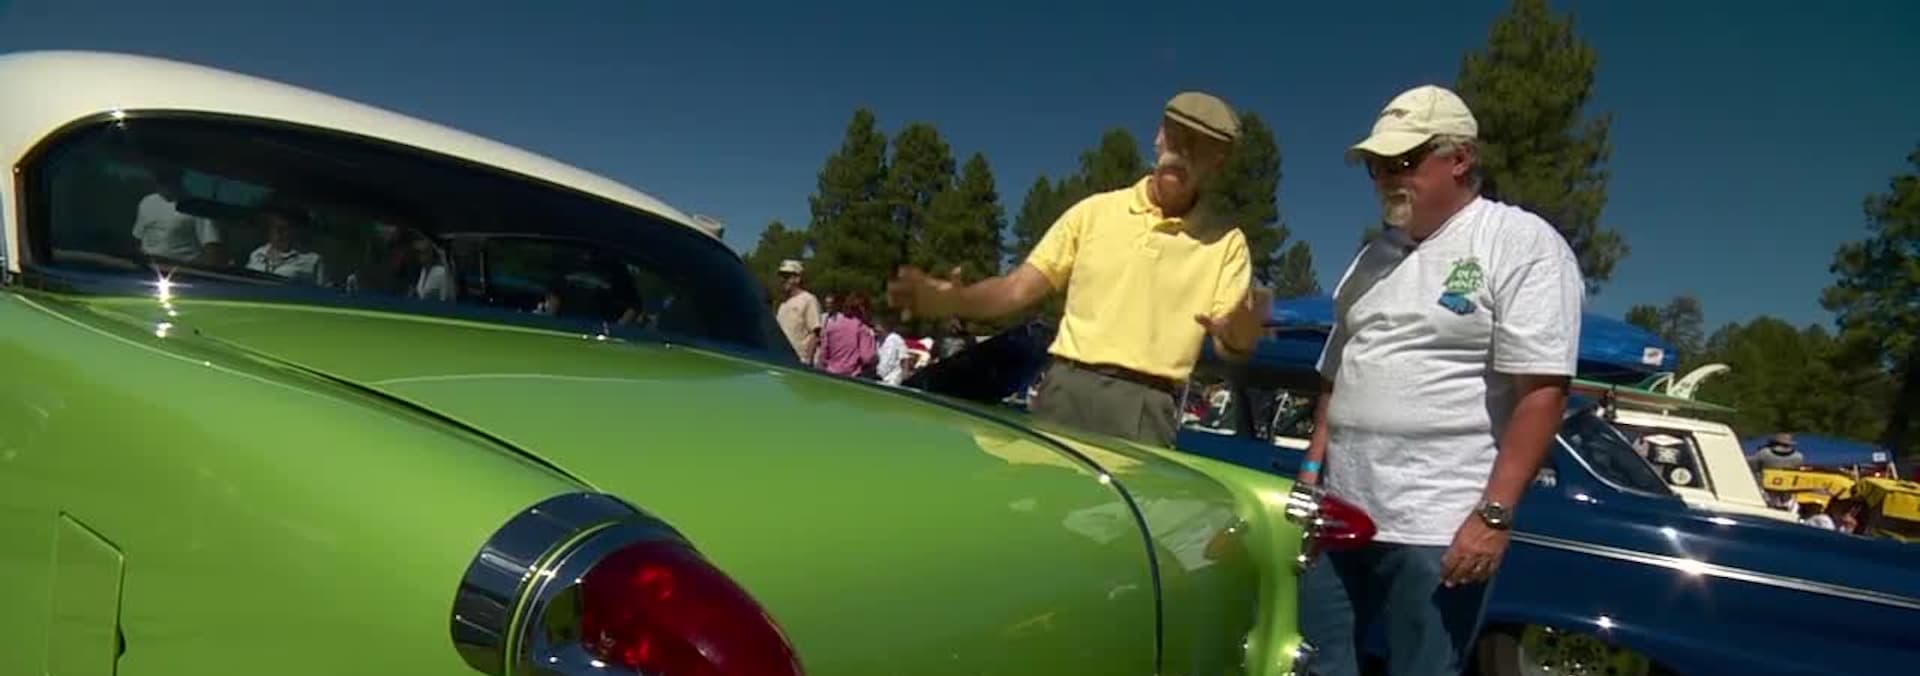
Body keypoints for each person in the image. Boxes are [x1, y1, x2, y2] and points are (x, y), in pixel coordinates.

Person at [1297, 84, 1585, 676]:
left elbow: (1542, 393)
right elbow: (1338, 375)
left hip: (1438, 527)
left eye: (1403, 161)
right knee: (1317, 663)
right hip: (1340, 511)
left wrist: (1494, 517)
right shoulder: (1373, 257)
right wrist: (1310, 472)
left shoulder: (1517, 241)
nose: (1386, 178)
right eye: (1377, 166)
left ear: (1461, 158)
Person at [887, 91, 1268, 446]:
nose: (1182, 150)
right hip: (1064, 390)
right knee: (1042, 493)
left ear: (1218, 162)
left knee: (1122, 501)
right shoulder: (1094, 213)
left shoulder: (1226, 243)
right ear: (1158, 136)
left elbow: (1231, 340)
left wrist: (1241, 332)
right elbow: (1016, 288)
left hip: (1145, 407)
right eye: (1176, 135)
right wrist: (957, 301)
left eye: (1199, 145)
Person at [132, 166, 225, 265]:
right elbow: (137, 239)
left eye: (168, 177)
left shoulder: (197, 206)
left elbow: (212, 248)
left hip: (181, 270)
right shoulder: (147, 202)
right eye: (160, 178)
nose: (164, 182)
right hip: (146, 268)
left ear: (179, 177)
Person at [245, 207, 325, 285]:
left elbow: (321, 290)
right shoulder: (257, 254)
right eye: (273, 228)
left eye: (284, 229)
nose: (278, 233)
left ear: (294, 230)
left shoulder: (312, 260)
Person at [816, 293, 876, 378]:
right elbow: (867, 358)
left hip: (831, 372)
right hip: (852, 375)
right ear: (863, 309)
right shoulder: (862, 329)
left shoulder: (831, 326)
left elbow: (823, 353)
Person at [774, 259, 823, 362]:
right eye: (781, 276)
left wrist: (806, 359)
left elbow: (815, 333)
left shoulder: (808, 300)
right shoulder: (783, 303)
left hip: (798, 360)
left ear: (797, 278)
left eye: (787, 276)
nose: (783, 280)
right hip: (780, 358)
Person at [875, 313, 913, 386]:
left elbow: (905, 357)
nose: (877, 331)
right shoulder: (879, 341)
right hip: (881, 376)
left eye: (879, 328)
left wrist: (905, 373)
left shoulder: (896, 339)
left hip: (893, 377)